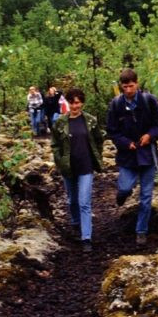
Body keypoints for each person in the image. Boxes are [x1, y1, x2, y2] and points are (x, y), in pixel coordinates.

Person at [106, 69, 158, 245]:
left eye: (131, 86)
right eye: (125, 87)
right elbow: (112, 131)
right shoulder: (116, 104)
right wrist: (125, 143)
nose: (128, 90)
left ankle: (141, 231)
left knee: (146, 196)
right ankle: (122, 195)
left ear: (137, 83)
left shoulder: (150, 100)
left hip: (147, 154)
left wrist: (150, 135)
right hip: (127, 155)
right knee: (125, 187)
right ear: (121, 86)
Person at [51, 88, 104, 252]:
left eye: (78, 102)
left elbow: (99, 139)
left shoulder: (90, 120)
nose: (76, 106)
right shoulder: (60, 122)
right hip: (68, 167)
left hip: (86, 166)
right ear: (68, 102)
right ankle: (75, 222)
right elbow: (55, 144)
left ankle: (86, 237)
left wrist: (97, 157)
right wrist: (60, 161)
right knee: (72, 200)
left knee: (84, 202)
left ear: (82, 102)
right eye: (72, 102)